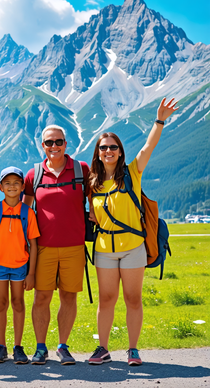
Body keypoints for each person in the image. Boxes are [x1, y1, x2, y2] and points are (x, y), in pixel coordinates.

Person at [87, 98, 178, 367]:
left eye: (113, 147)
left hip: (132, 248)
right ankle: (102, 348)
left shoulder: (132, 173)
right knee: (106, 299)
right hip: (104, 249)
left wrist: (159, 120)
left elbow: (149, 146)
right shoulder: (93, 182)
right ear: (98, 152)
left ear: (120, 151)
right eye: (104, 147)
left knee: (132, 298)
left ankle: (133, 349)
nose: (108, 151)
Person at [23, 125, 89, 365]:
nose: (54, 147)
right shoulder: (34, 175)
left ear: (66, 143)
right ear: (42, 146)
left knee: (68, 297)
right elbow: (25, 211)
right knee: (41, 297)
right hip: (43, 248)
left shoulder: (81, 170)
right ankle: (41, 348)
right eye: (49, 143)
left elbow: (95, 199)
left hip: (74, 247)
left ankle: (63, 346)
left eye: (58, 142)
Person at [0, 167, 39, 364]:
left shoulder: (27, 212)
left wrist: (31, 273)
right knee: (1, 304)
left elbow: (33, 244)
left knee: (17, 303)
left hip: (19, 267)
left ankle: (18, 346)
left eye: (16, 183)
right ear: (0, 187)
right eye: (7, 183)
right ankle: (1, 346)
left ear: (23, 186)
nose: (12, 186)